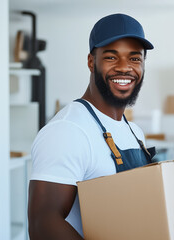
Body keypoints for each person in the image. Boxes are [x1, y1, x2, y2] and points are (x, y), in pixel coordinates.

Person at [28, 13, 155, 239]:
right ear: (91, 62)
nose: (125, 68)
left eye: (135, 59)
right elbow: (42, 224)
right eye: (111, 57)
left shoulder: (134, 132)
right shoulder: (68, 131)